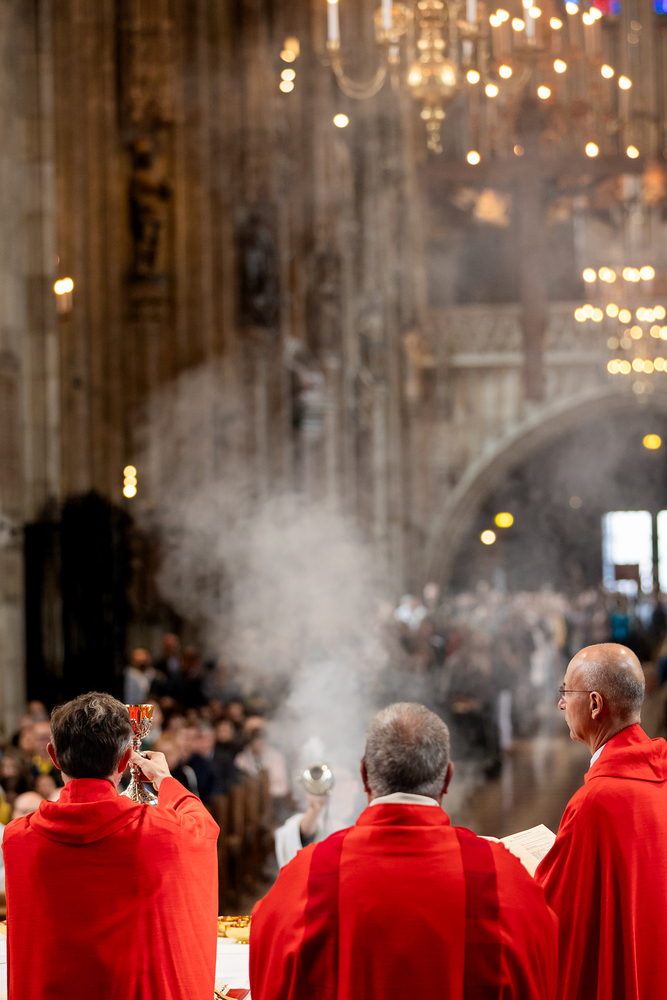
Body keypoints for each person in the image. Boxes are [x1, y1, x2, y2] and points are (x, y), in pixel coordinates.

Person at [251, 702, 558, 1000]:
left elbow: (270, 967)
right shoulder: (503, 878)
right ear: (448, 778)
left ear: (364, 775)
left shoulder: (306, 876)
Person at [3, 691, 219, 999]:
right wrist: (165, 780)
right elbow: (203, 828)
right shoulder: (158, 834)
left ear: (53, 755)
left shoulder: (17, 839)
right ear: (124, 761)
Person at [536, 643, 667, 1000]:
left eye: (566, 692)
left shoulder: (595, 803)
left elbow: (552, 911)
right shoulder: (659, 773)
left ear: (595, 704)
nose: (561, 704)